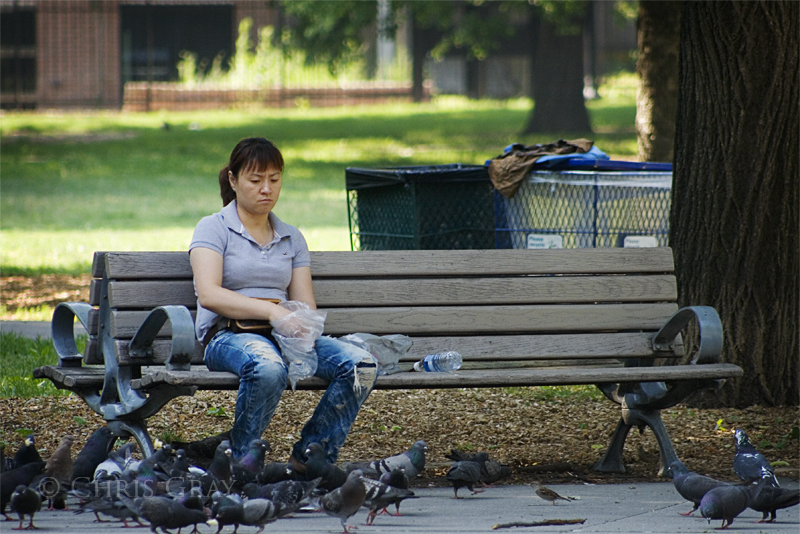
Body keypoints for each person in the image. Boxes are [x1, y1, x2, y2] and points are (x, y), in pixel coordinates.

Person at [189, 137, 378, 465]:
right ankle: (242, 463)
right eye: (255, 180)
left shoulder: (291, 237)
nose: (266, 189)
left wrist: (302, 327)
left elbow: (305, 304)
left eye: (274, 180)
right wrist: (273, 312)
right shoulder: (213, 228)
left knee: (362, 366)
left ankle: (311, 458)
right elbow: (209, 294)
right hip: (228, 336)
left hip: (283, 337)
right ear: (233, 181)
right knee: (268, 369)